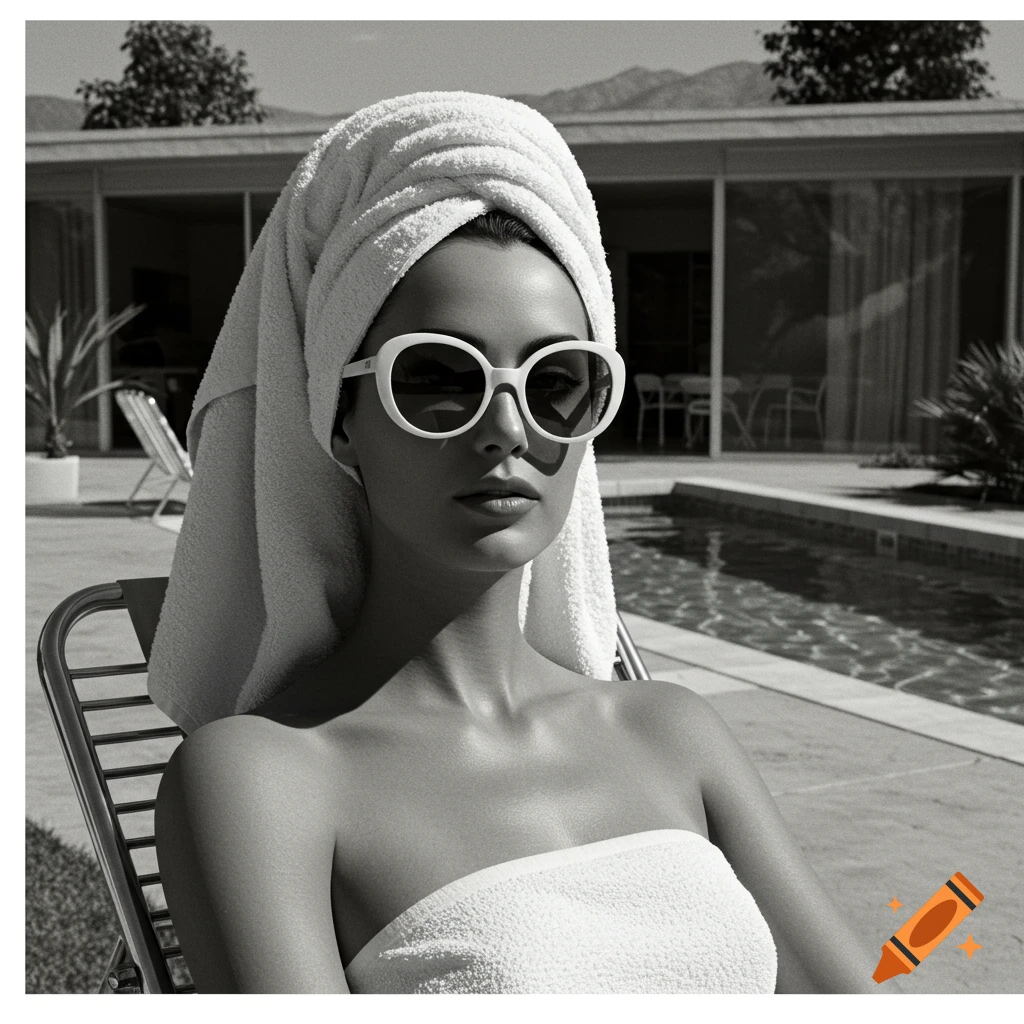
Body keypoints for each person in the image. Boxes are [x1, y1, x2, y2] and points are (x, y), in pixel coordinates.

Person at [151, 93, 888, 995]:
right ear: (338, 421)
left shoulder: (671, 729)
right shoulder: (261, 778)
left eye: (558, 381)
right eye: (436, 377)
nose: (506, 429)